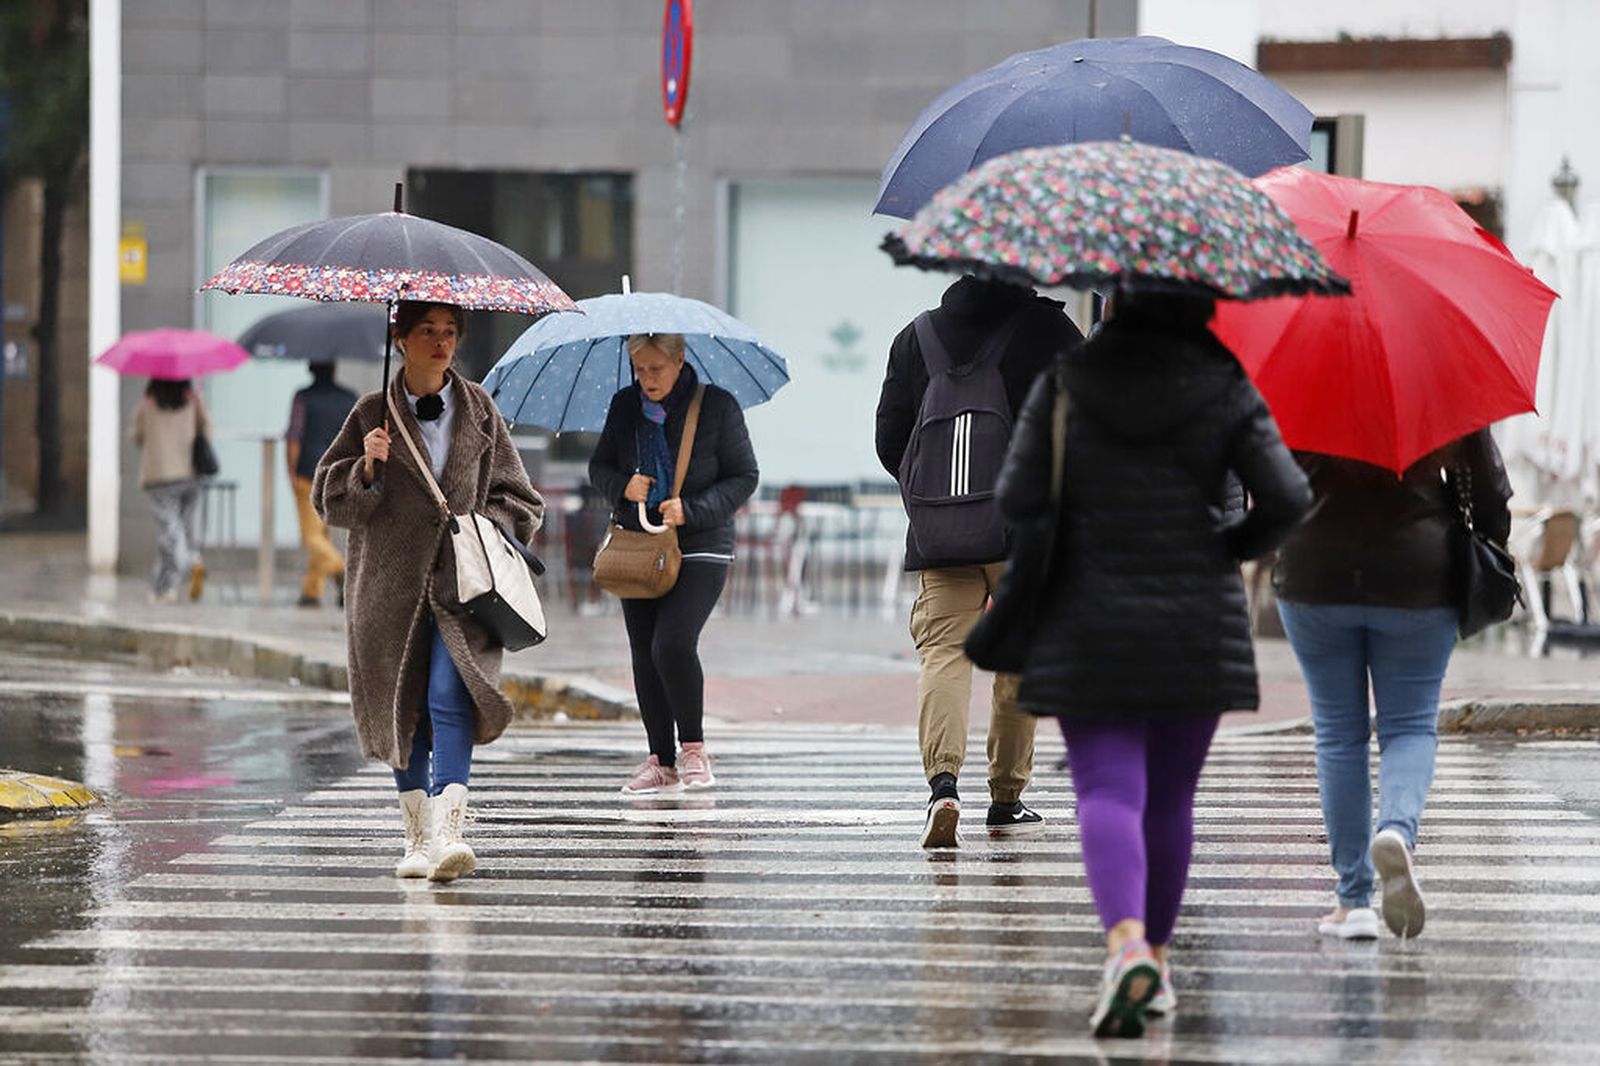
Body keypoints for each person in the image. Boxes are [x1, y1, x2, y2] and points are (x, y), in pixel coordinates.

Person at [997, 289, 1311, 1038]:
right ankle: (1158, 966)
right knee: (1170, 800)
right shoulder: (1223, 380)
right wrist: (1221, 546)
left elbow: (1017, 495)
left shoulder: (1066, 380)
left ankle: (1125, 944)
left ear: (1111, 301)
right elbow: (1287, 498)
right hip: (1195, 616)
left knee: (1106, 787)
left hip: (1087, 610)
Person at [313, 301, 543, 883]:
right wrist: (366, 468)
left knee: (451, 693)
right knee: (404, 705)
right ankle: (416, 838)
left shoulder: (480, 409)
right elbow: (330, 500)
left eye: (449, 333)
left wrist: (485, 528)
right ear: (401, 338)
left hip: (464, 586)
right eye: (427, 332)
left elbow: (519, 497)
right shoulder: (371, 413)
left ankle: (449, 833)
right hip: (388, 590)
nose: (441, 343)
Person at [1274, 430, 1511, 941]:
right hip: (1419, 573)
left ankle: (1353, 901)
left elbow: (1260, 474)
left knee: (1339, 735)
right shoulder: (1437, 365)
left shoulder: (1295, 369)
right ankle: (1396, 831)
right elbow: (1490, 488)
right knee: (1409, 727)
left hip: (1314, 570)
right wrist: (1492, 540)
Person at [875, 275, 1083, 848]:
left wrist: (937, 501)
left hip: (942, 535)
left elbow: (890, 440)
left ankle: (943, 786)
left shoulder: (916, 337)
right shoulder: (1048, 329)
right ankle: (1006, 796)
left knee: (943, 653)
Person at [588, 333, 758, 795]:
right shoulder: (625, 407)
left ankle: (694, 750)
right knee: (644, 652)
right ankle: (660, 761)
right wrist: (624, 486)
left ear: (679, 360)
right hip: (639, 543)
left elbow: (745, 476)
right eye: (639, 370)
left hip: (701, 541)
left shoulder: (717, 406)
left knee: (673, 644)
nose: (647, 380)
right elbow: (598, 467)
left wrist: (693, 508)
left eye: (655, 369)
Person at [130, 378, 212, 603]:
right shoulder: (193, 400)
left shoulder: (148, 404)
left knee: (170, 534)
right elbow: (206, 429)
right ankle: (165, 587)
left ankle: (190, 562)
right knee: (182, 532)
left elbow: (136, 436)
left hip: (160, 478)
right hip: (190, 475)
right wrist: (198, 405)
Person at [285, 361, 357, 607]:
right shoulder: (349, 398)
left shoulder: (303, 398)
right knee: (322, 532)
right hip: (339, 472)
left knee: (311, 536)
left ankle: (340, 569)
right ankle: (311, 592)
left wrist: (291, 470)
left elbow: (294, 437)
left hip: (309, 471)